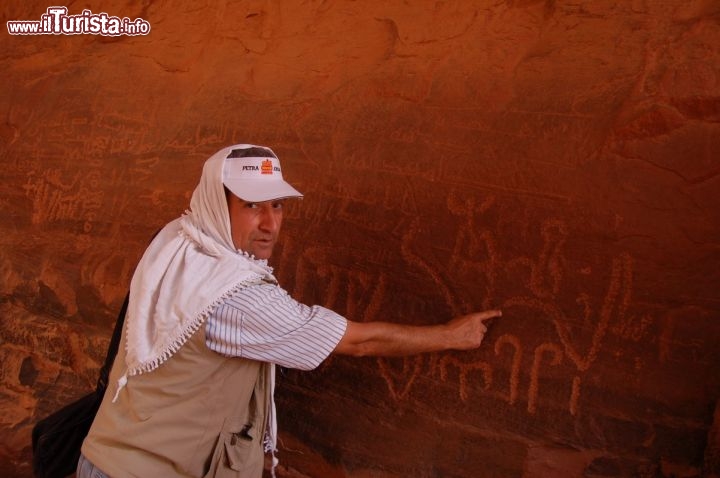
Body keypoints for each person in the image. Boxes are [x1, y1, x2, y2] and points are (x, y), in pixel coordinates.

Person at [78, 144, 501, 478]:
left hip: (109, 456)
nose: (270, 224)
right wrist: (450, 335)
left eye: (277, 205)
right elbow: (357, 342)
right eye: (251, 206)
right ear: (215, 202)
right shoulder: (235, 296)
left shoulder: (179, 239)